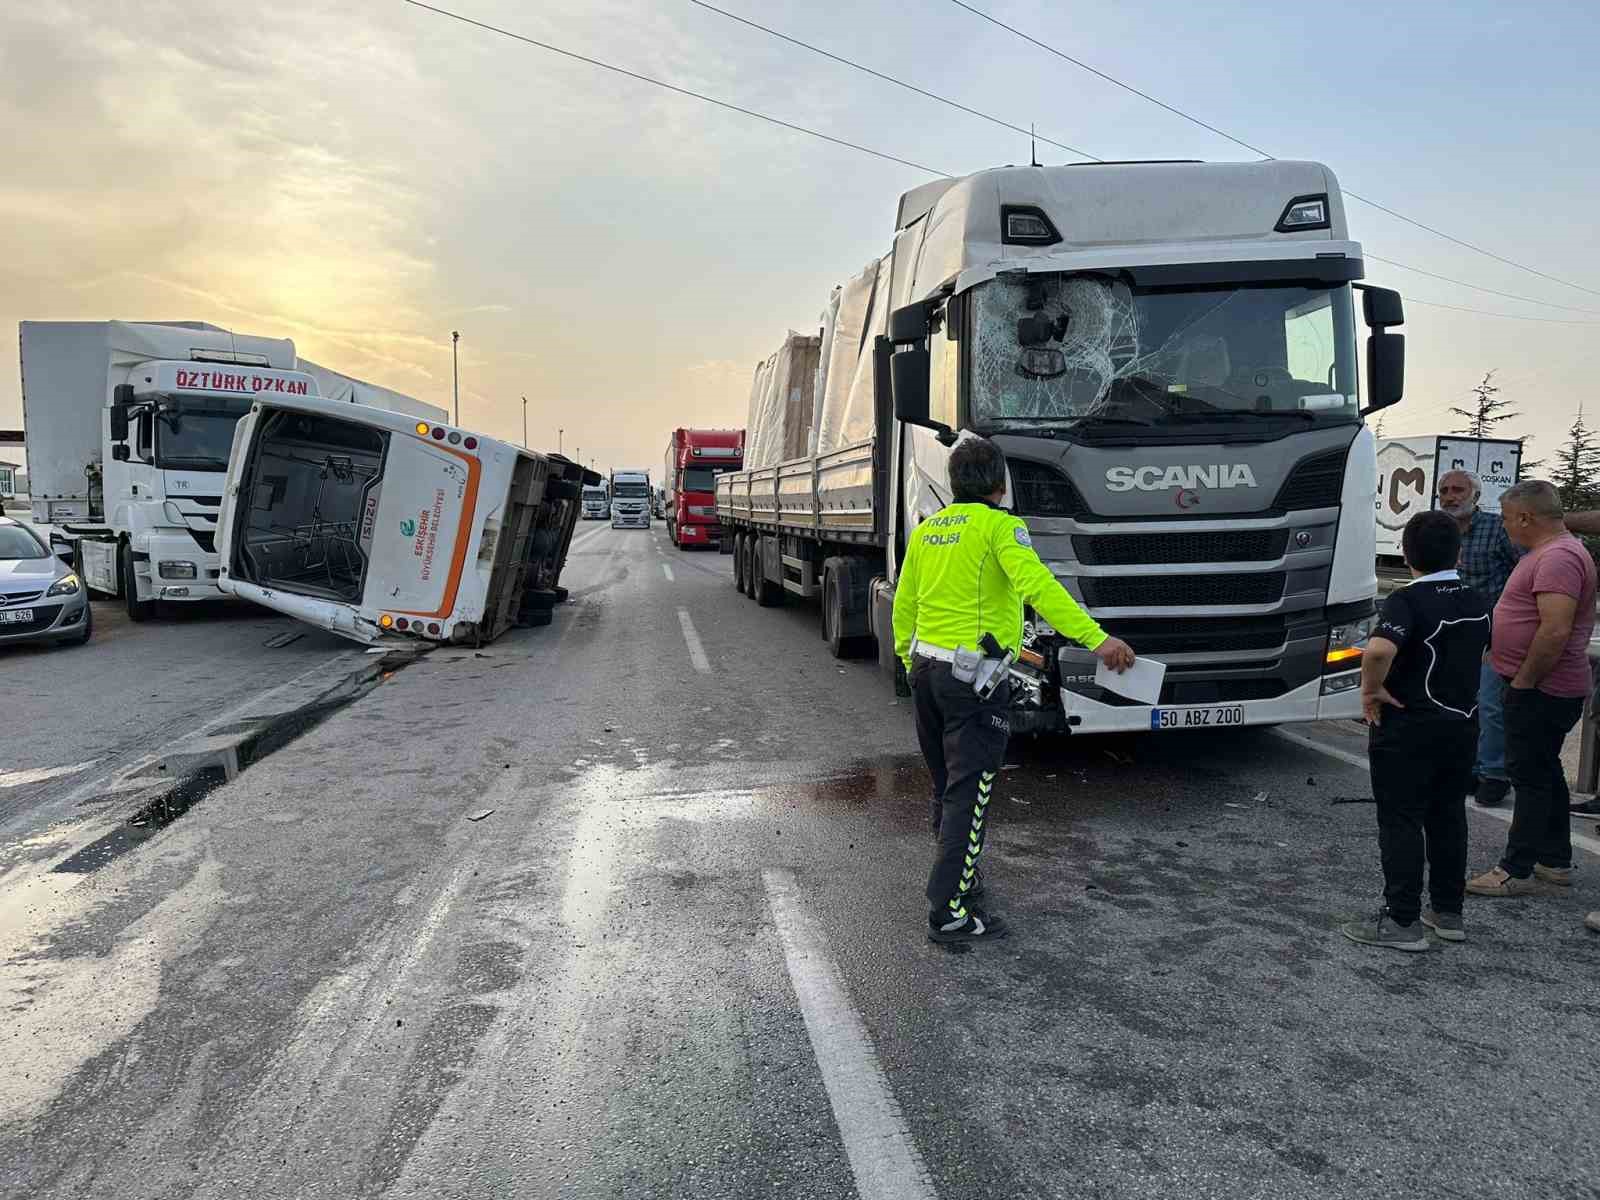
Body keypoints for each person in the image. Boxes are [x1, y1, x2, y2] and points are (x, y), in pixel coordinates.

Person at [893, 434, 1133, 944]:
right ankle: (950, 912)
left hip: (928, 675)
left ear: (954, 482)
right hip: (973, 684)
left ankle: (961, 880)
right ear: (1001, 485)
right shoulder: (1001, 527)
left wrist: (906, 659)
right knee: (969, 794)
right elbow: (1038, 587)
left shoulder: (929, 529)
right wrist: (1097, 639)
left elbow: (904, 603)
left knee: (947, 787)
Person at [1341, 511, 1490, 951]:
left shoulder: (1406, 600)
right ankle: (1448, 911)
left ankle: (1401, 920)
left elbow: (1378, 650)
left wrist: (1370, 692)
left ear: (1406, 553)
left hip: (1408, 727)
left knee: (1401, 819)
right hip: (1462, 725)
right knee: (1448, 815)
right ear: (1458, 553)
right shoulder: (1478, 599)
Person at [1467, 481, 1598, 898]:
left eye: (1507, 520)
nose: (1505, 528)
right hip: (1539, 684)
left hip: (1542, 688)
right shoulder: (1553, 552)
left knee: (1528, 776)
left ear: (1526, 518)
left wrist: (1522, 681)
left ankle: (1515, 868)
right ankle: (1554, 858)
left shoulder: (1558, 557)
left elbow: (1555, 629)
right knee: (1546, 771)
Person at [1438, 469, 1522, 807]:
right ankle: (1471, 767)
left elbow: (1525, 570)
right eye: (1444, 490)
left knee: (1489, 704)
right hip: (1452, 631)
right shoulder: (1439, 528)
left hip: (1493, 631)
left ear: (1475, 495)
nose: (1450, 496)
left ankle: (1495, 774)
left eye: (1458, 489)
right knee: (1461, 702)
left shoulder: (1496, 528)